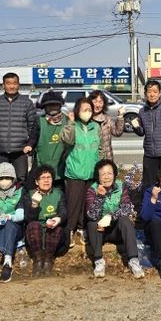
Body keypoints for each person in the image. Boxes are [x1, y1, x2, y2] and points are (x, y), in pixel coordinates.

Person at [86, 159, 144, 278]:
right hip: (100, 232)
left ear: (114, 174)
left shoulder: (121, 186)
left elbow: (127, 207)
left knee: (126, 220)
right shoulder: (92, 189)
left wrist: (111, 217)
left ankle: (133, 260)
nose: (107, 177)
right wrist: (100, 197)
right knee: (92, 223)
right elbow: (91, 215)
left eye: (109, 173)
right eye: (103, 174)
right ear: (98, 177)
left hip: (116, 230)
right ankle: (99, 261)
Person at [0, 72, 39, 183]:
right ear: (3, 85)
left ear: (19, 85)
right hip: (0, 150)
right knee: (1, 181)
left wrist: (30, 144)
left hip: (20, 150)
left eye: (14, 83)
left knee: (21, 180)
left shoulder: (27, 103)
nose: (12, 86)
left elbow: (33, 126)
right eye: (8, 83)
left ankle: (21, 194)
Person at [61, 97, 100, 247]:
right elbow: (67, 140)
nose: (87, 112)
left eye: (90, 109)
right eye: (84, 110)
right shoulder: (72, 125)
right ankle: (69, 230)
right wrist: (71, 123)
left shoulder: (95, 127)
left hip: (91, 172)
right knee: (73, 204)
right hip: (75, 172)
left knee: (87, 203)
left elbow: (100, 149)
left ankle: (82, 229)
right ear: (77, 111)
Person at [23, 165, 67, 277]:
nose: (46, 180)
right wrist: (34, 205)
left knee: (57, 229)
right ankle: (38, 260)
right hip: (37, 230)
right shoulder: (29, 194)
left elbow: (64, 211)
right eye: (43, 178)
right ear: (37, 182)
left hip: (52, 229)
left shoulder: (59, 193)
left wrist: (57, 219)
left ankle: (48, 259)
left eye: (49, 177)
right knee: (33, 225)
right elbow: (28, 218)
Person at [34, 90, 68, 186]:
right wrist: (29, 146)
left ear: (60, 106)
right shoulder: (39, 120)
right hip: (43, 162)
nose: (52, 107)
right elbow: (33, 137)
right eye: (49, 105)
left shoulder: (68, 120)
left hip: (62, 165)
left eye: (55, 105)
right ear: (44, 107)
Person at [89, 89, 124, 162]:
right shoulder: (86, 119)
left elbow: (117, 132)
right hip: (90, 159)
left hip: (106, 159)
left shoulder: (107, 119)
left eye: (100, 102)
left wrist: (120, 117)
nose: (97, 105)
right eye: (95, 102)